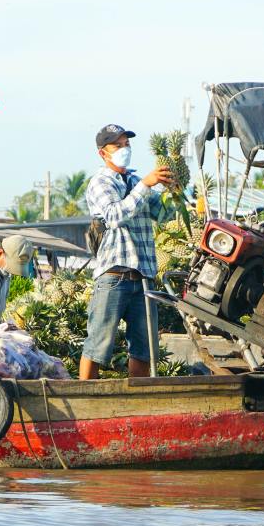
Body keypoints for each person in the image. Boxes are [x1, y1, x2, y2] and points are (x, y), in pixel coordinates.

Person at [80, 123, 175, 380]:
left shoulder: (134, 180)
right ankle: (86, 403)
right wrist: (145, 185)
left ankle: (137, 404)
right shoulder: (100, 182)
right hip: (114, 277)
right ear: (103, 153)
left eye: (127, 145)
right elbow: (114, 215)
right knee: (98, 345)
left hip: (143, 277)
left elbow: (164, 214)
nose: (124, 149)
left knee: (144, 350)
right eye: (118, 146)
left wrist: (173, 192)